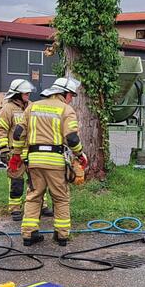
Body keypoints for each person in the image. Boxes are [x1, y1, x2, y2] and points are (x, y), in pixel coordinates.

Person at [10, 77, 87, 247]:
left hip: (34, 161)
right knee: (60, 198)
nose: (71, 99)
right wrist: (80, 154)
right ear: (63, 93)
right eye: (71, 95)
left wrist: (16, 154)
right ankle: (61, 236)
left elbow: (17, 133)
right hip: (55, 162)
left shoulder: (32, 106)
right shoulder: (66, 110)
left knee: (33, 196)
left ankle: (29, 235)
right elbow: (72, 138)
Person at [0, 78, 44, 222]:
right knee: (16, 182)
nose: (28, 95)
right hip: (15, 152)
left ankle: (42, 205)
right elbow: (1, 129)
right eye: (25, 93)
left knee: (37, 180)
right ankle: (15, 208)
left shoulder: (32, 106)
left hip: (31, 151)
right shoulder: (8, 109)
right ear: (17, 94)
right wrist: (4, 149)